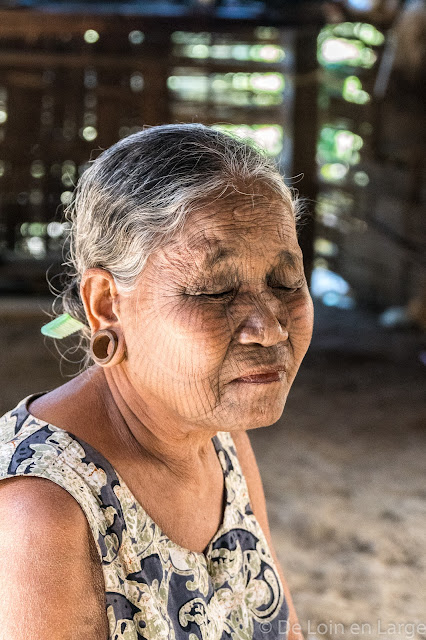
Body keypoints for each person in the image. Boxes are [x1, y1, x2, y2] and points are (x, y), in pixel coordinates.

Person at [0, 124, 314, 639]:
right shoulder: (42, 512)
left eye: (286, 282)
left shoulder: (223, 441)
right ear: (105, 305)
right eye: (215, 291)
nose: (271, 327)